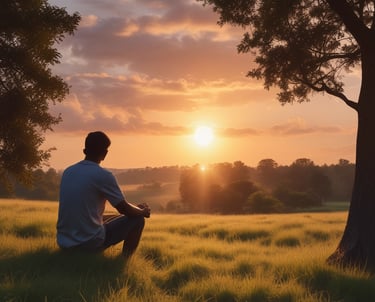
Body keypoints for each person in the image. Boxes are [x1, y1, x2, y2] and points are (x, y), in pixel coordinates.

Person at [56, 131, 150, 257]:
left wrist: (136, 209)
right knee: (137, 219)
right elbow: (124, 209)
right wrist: (142, 211)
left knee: (108, 217)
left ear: (84, 150)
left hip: (64, 243)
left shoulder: (68, 172)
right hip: (89, 243)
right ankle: (122, 263)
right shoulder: (103, 175)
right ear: (105, 154)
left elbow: (88, 213)